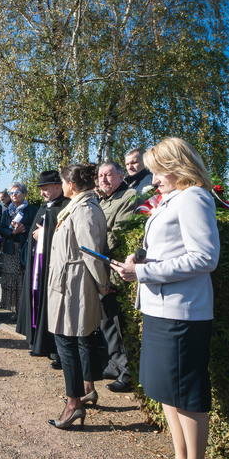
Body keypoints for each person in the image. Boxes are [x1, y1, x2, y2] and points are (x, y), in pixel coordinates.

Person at [111, 137, 220, 459]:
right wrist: (140, 260)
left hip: (183, 310)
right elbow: (170, 249)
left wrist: (143, 271)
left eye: (158, 172)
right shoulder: (175, 198)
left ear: (178, 167)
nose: (153, 180)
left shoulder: (194, 197)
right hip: (162, 308)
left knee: (186, 392)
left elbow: (205, 258)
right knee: (167, 389)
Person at [46, 164, 109, 430]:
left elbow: (91, 253)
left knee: (66, 342)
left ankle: (74, 404)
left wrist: (103, 286)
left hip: (75, 285)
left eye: (63, 181)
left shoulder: (83, 209)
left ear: (71, 184)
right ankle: (83, 392)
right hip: (69, 282)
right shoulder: (78, 206)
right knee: (72, 340)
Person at [96, 162, 142, 393]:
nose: (103, 179)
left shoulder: (129, 196)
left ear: (121, 176)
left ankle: (128, 373)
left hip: (115, 268)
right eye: (100, 175)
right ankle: (114, 364)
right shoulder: (103, 200)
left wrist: (93, 249)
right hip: (101, 266)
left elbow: (117, 233)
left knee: (119, 323)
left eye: (109, 175)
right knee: (107, 322)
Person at [16, 170, 69, 361]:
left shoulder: (66, 206)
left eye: (45, 189)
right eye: (40, 190)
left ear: (58, 186)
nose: (42, 193)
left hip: (51, 267)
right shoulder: (44, 207)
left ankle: (54, 349)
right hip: (37, 265)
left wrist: (45, 234)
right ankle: (37, 342)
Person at [0, 181, 35, 321]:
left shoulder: (31, 209)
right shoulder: (7, 210)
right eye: (11, 193)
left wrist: (22, 227)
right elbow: (1, 228)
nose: (13, 195)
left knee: (22, 278)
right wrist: (12, 232)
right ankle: (14, 309)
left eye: (17, 192)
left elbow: (35, 225)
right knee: (11, 279)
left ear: (24, 194)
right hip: (9, 248)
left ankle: (23, 309)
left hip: (24, 247)